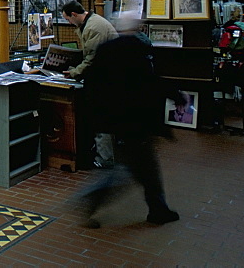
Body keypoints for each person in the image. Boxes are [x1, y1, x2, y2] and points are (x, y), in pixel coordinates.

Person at [77, 15, 180, 228]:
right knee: (134, 169)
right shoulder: (137, 49)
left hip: (114, 120)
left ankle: (158, 209)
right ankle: (93, 197)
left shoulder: (106, 50)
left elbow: (93, 82)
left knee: (136, 167)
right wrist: (176, 95)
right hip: (135, 121)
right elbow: (150, 82)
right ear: (137, 27)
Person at [62, 1, 119, 168]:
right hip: (105, 77)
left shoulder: (94, 28)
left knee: (102, 119)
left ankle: (105, 159)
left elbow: (92, 58)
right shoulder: (92, 23)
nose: (69, 23)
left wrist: (74, 72)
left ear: (74, 14)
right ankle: (103, 154)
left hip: (106, 80)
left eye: (68, 19)